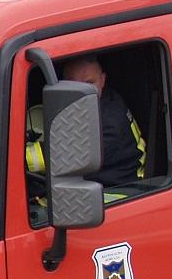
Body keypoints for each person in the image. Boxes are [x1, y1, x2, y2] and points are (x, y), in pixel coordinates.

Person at [58, 54, 146, 186]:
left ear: (102, 80)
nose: (83, 92)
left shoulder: (109, 122)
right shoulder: (99, 98)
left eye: (89, 83)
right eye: (74, 84)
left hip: (121, 188)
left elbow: (62, 158)